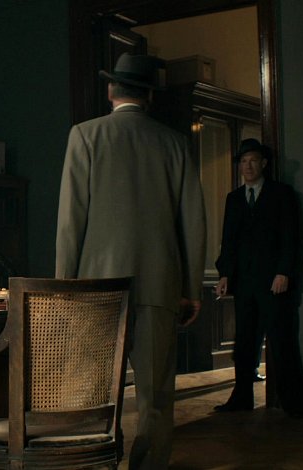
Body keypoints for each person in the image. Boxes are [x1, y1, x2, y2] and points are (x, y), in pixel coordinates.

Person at [55, 53, 206, 469]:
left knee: (92, 391)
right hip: (160, 286)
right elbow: (193, 222)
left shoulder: (85, 136)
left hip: (98, 289)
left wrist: (66, 286)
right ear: (149, 96)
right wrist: (191, 289)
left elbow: (71, 221)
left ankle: (95, 462)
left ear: (111, 90)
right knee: (156, 397)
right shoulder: (174, 143)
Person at [213, 138, 303, 417]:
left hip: (273, 281)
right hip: (244, 282)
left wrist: (283, 271)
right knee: (244, 340)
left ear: (263, 163)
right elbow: (228, 240)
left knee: (281, 338)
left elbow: (290, 236)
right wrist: (225, 274)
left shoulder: (281, 194)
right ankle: (241, 397)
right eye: (243, 161)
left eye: (253, 160)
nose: (248, 166)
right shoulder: (234, 198)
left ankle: (293, 402)